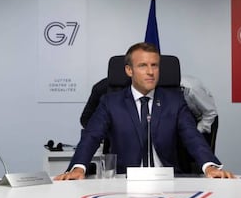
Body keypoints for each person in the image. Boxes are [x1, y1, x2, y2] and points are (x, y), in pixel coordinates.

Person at [55, 42, 234, 180]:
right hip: (124, 182)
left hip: (169, 182)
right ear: (129, 70)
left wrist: (210, 166)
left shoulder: (174, 101)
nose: (150, 72)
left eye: (154, 65)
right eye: (143, 66)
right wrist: (78, 167)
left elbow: (192, 137)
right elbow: (91, 136)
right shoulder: (110, 102)